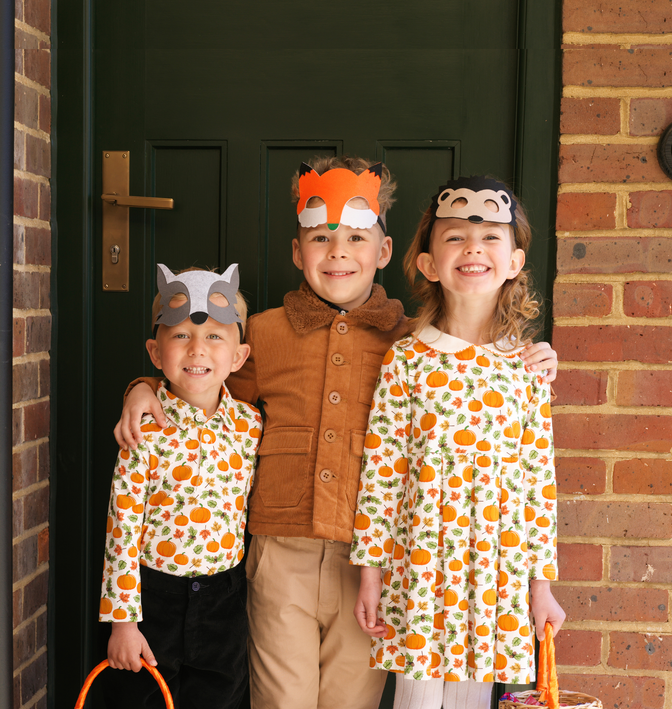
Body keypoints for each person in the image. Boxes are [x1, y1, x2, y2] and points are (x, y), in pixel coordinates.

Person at [113, 158, 560, 709]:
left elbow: (472, 378)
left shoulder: (411, 343)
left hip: (368, 560)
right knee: (283, 700)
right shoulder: (263, 334)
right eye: (321, 238)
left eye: (356, 238)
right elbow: (202, 388)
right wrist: (144, 387)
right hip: (281, 553)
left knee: (352, 700)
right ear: (297, 252)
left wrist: (529, 357)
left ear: (385, 251)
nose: (338, 252)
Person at [350, 176, 565, 709]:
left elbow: (539, 484)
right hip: (420, 563)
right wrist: (370, 576)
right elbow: (381, 473)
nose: (473, 248)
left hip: (497, 567)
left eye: (491, 237)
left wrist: (541, 587)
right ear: (428, 264)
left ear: (514, 262)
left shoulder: (526, 367)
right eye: (455, 237)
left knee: (473, 700)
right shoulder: (407, 360)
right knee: (417, 699)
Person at [98, 264, 261, 709]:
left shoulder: (250, 425)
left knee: (219, 699)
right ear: (155, 352)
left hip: (224, 599)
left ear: (239, 357)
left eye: (214, 336)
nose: (197, 348)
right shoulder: (143, 430)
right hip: (153, 600)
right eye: (181, 335)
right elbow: (122, 529)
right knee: (140, 699)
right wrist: (123, 623)